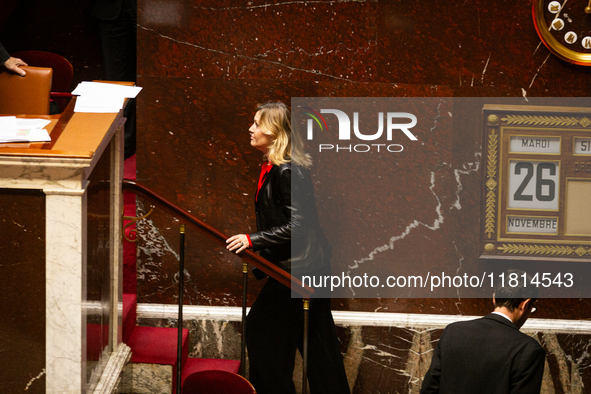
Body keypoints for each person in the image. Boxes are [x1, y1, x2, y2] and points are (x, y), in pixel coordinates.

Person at [226, 101, 350, 394]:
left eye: (257, 123)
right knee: (320, 348)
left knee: (260, 330)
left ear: (273, 130)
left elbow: (299, 226)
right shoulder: (277, 167)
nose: (251, 128)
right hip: (309, 268)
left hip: (301, 272)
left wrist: (251, 239)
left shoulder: (287, 171)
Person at [420, 269, 545, 394]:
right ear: (525, 304)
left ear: (494, 298)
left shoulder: (452, 332)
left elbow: (429, 389)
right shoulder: (529, 350)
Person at [92, 0, 137, 159]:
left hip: (157, 11)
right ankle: (124, 147)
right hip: (110, 9)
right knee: (117, 83)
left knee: (158, 76)